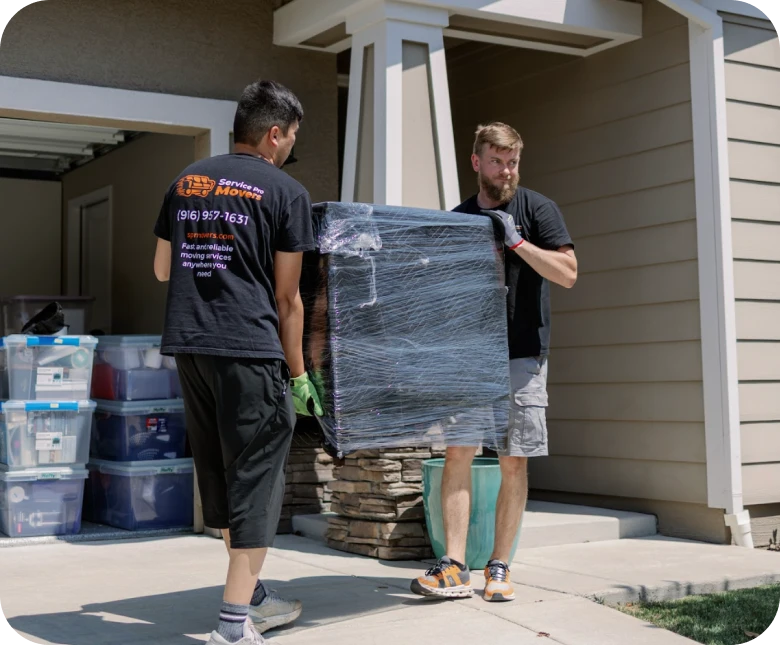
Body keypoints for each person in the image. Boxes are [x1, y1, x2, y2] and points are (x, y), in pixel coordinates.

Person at [153, 79, 323, 645]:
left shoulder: (187, 181)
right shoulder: (286, 192)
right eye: (291, 136)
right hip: (249, 350)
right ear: (274, 134)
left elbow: (162, 269)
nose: (290, 146)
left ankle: (251, 598)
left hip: (190, 347)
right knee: (257, 482)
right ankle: (232, 626)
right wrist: (299, 374)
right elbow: (288, 299)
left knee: (222, 478)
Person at [411, 122, 577, 602]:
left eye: (513, 162)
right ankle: (453, 565)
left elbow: (568, 273)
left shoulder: (537, 209)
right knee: (457, 454)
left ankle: (499, 567)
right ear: (476, 162)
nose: (506, 171)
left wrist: (518, 243)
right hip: (468, 357)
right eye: (497, 161)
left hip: (521, 354)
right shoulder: (459, 219)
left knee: (513, 460)